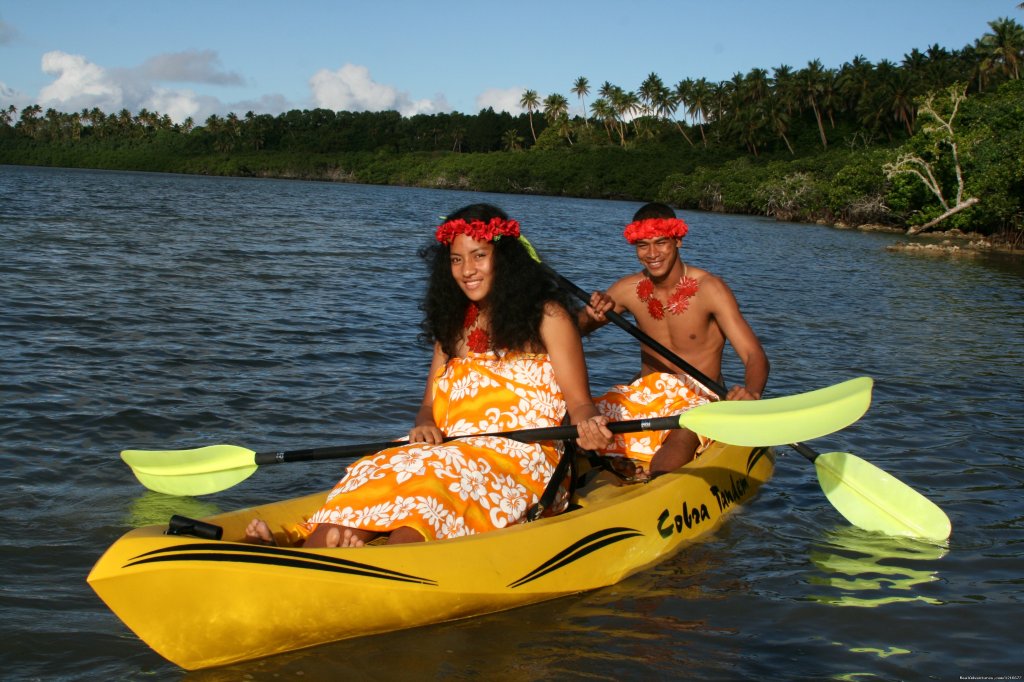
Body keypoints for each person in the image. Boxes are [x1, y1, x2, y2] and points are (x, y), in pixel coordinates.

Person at [247, 203, 613, 548]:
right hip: (452, 448)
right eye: (456, 259)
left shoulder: (549, 317)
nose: (467, 270)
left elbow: (579, 402)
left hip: (524, 459)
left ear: (505, 258)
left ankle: (383, 556)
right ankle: (316, 546)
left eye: (479, 256)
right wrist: (423, 424)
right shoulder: (452, 326)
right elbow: (427, 408)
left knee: (440, 477)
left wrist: (588, 424)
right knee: (381, 465)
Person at [579, 202, 769, 478]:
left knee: (683, 432)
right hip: (645, 395)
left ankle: (658, 485)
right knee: (582, 420)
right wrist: (589, 313)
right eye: (643, 245)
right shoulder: (626, 289)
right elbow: (574, 331)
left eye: (661, 243)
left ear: (678, 241)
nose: (652, 254)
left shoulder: (710, 289)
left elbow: (754, 355)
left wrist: (752, 393)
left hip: (699, 398)